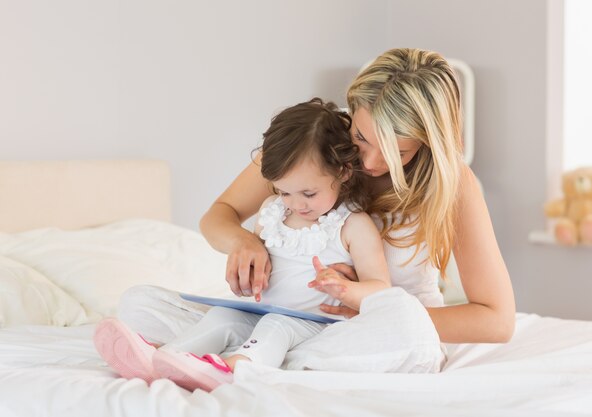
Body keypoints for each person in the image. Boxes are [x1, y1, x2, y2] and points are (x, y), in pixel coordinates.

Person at [113, 47, 513, 376]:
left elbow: (497, 320)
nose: (370, 162)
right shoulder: (314, 147)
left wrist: (364, 307)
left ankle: (255, 361)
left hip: (368, 333)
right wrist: (244, 242)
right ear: (352, 111)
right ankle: (249, 356)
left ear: (428, 144)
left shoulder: (452, 184)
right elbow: (220, 214)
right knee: (140, 303)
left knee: (412, 334)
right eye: (361, 137)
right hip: (277, 318)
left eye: (397, 152)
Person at [93, 98, 443, 392]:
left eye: (308, 193)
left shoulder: (353, 225)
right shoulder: (271, 214)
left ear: (343, 174)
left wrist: (345, 289)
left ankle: (232, 369)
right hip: (260, 316)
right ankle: (167, 358)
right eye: (285, 192)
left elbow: (380, 290)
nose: (296, 203)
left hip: (313, 324)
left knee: (282, 328)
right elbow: (262, 266)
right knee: (218, 315)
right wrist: (249, 274)